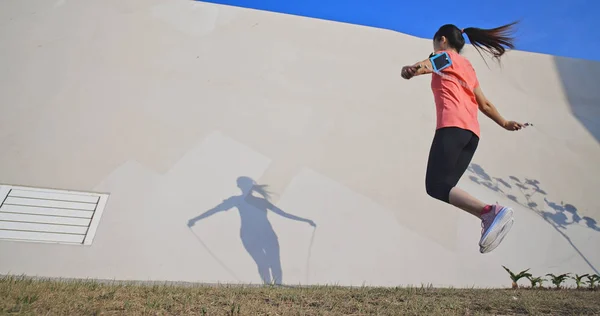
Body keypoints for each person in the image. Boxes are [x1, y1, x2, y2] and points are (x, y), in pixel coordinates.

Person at [400, 22, 525, 254]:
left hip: (451, 127)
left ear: (443, 40)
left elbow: (429, 64)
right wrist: (505, 123)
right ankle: (488, 215)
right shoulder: (468, 67)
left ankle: (490, 211)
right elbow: (484, 104)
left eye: (436, 42)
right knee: (443, 187)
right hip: (471, 135)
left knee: (435, 185)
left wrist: (410, 69)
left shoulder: (444, 56)